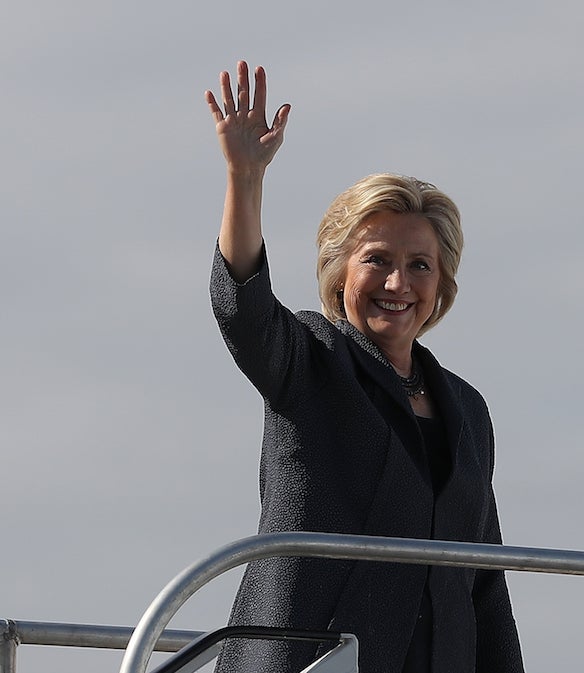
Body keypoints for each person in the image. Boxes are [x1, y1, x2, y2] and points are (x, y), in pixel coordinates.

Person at [204, 61, 524, 673]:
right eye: (376, 259)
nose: (398, 283)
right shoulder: (310, 360)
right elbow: (243, 309)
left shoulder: (468, 409)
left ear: (442, 282)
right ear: (340, 271)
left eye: (420, 265)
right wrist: (244, 178)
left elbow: (484, 586)